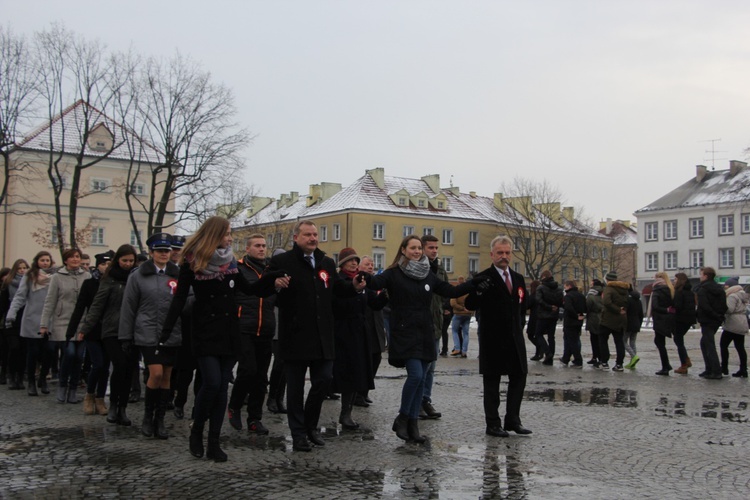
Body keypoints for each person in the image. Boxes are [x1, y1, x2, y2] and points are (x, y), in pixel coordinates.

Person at [161, 217, 286, 461]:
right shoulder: (192, 262)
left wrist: (272, 279)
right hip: (204, 331)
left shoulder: (230, 262)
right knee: (212, 382)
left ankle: (214, 442)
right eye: (227, 233)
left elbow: (251, 290)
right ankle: (197, 430)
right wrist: (167, 329)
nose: (230, 238)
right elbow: (180, 298)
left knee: (220, 390)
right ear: (214, 234)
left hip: (229, 331)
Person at [365, 235, 487, 443]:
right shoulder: (394, 273)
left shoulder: (427, 274)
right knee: (415, 375)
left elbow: (451, 291)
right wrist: (361, 276)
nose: (417, 251)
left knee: (422, 377)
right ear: (403, 250)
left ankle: (413, 425)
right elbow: (375, 283)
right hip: (405, 331)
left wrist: (473, 282)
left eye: (418, 248)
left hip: (424, 331)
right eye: (412, 248)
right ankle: (403, 417)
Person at [268, 220, 363, 452]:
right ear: (296, 238)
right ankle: (298, 433)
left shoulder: (326, 263)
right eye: (307, 234)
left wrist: (353, 287)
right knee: (296, 388)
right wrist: (275, 284)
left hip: (323, 336)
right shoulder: (283, 262)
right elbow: (267, 288)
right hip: (295, 335)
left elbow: (335, 291)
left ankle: (311, 425)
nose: (313, 238)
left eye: (315, 234)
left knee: (323, 380)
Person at [465, 235, 531, 437]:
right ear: (492, 254)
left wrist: (519, 325)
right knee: (492, 383)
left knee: (519, 377)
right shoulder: (484, 277)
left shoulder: (518, 279)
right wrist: (478, 292)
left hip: (514, 338)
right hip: (493, 339)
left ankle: (513, 420)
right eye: (500, 253)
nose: (504, 256)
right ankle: (493, 423)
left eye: (507, 252)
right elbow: (469, 304)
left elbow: (522, 305)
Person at [119, 233, 182, 439]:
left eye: (167, 250)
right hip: (146, 331)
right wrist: (125, 336)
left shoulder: (178, 274)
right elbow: (129, 307)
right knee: (154, 373)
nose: (164, 254)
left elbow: (186, 301)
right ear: (152, 253)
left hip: (171, 331)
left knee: (166, 376)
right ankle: (148, 416)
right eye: (160, 251)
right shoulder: (138, 276)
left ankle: (160, 419)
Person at [77, 245, 137, 424]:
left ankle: (123, 408)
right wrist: (85, 328)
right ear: (118, 260)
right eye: (124, 260)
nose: (127, 264)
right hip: (111, 328)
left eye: (131, 261)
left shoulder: (137, 278)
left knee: (129, 369)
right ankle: (113, 406)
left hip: (133, 330)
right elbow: (97, 304)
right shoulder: (109, 279)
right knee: (119, 365)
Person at [227, 234, 280, 435]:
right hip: (244, 327)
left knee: (261, 377)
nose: (261, 249)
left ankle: (255, 418)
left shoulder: (271, 271)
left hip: (266, 327)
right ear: (247, 249)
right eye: (257, 246)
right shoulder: (238, 269)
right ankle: (234, 406)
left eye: (264, 246)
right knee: (247, 370)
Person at [331, 248, 387, 430]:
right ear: (341, 263)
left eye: (355, 260)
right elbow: (337, 304)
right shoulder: (338, 281)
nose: (354, 263)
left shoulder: (362, 281)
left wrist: (386, 295)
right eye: (349, 261)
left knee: (356, 372)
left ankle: (346, 414)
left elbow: (374, 303)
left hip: (360, 333)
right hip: (341, 332)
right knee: (342, 373)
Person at [66, 250, 114, 415]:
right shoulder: (89, 284)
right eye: (103, 264)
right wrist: (71, 330)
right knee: (98, 364)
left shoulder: (114, 282)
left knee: (106, 366)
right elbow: (80, 308)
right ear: (98, 265)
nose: (106, 267)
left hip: (110, 330)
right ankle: (89, 395)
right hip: (92, 330)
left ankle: (100, 399)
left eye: (109, 264)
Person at [40, 249, 91, 402]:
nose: (75, 259)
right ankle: (62, 386)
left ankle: (73, 389)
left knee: (78, 357)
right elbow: (50, 301)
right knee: (69, 354)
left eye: (77, 257)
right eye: (72, 257)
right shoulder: (57, 277)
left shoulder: (86, 276)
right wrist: (44, 324)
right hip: (63, 321)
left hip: (82, 322)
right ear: (66, 260)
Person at [7, 252, 55, 396]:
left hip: (51, 320)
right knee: (33, 352)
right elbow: (20, 296)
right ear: (37, 261)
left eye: (47, 260)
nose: (45, 262)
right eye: (42, 260)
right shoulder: (30, 276)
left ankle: (43, 378)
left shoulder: (55, 276)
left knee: (50, 351)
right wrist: (12, 313)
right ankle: (32, 383)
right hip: (32, 318)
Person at [420, 234, 448, 420]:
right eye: (431, 247)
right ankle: (417, 401)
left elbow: (445, 295)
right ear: (422, 249)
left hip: (436, 324)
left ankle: (425, 400)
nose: (434, 251)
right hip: (420, 325)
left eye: (436, 248)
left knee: (431, 367)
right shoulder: (417, 268)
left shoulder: (440, 270)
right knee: (421, 368)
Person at [357, 255, 387, 406]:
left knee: (376, 359)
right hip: (366, 325)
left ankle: (365, 391)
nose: (370, 266)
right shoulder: (359, 282)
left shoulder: (376, 282)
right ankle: (358, 394)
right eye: (367, 264)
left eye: (372, 264)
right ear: (360, 267)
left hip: (377, 325)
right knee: (364, 361)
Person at [0, 259, 30, 390]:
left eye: (24, 268)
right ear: (15, 270)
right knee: (14, 348)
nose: (22, 271)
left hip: (25, 320)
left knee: (23, 350)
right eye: (19, 268)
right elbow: (3, 305)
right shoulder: (7, 284)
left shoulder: (30, 284)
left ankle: (19, 376)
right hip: (11, 320)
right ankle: (11, 374)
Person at [695, 267, 726, 379]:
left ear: (706, 276)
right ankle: (709, 369)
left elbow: (704, 305)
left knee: (709, 345)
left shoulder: (703, 289)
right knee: (704, 343)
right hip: (716, 320)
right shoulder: (719, 289)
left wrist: (712, 314)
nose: (700, 276)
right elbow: (724, 305)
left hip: (707, 319)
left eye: (701, 274)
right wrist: (719, 316)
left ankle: (716, 371)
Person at [598, 272, 629, 372]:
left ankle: (604, 362)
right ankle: (619, 364)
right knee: (619, 342)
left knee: (603, 340)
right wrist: (622, 310)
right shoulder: (624, 289)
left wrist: (616, 309)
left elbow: (606, 302)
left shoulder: (609, 288)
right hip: (621, 319)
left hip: (608, 319)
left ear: (607, 280)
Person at [719, 277, 748, 378]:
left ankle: (724, 367)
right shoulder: (742, 294)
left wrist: (722, 308)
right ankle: (743, 369)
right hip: (742, 322)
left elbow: (729, 309)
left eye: (726, 285)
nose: (725, 287)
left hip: (733, 324)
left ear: (731, 286)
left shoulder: (732, 296)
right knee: (740, 347)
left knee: (723, 345)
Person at [534, 270, 563, 366]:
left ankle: (548, 353)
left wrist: (548, 307)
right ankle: (550, 358)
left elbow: (538, 300)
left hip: (543, 315)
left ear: (543, 277)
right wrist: (555, 307)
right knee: (551, 337)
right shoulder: (559, 288)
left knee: (538, 334)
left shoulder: (541, 287)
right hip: (554, 315)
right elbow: (561, 301)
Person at [649, 272, 676, 376]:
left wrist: (664, 310)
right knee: (660, 342)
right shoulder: (671, 289)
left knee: (660, 343)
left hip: (660, 318)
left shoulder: (657, 290)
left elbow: (655, 306)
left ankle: (665, 366)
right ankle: (666, 365)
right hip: (668, 318)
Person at [672, 272, 696, 374]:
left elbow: (677, 306)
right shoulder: (690, 292)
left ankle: (684, 364)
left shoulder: (679, 292)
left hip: (680, 319)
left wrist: (670, 309)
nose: (674, 281)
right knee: (679, 340)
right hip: (689, 319)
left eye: (675, 279)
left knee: (678, 340)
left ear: (680, 280)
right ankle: (686, 360)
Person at [560, 280, 586, 367]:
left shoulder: (568, 296)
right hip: (578, 322)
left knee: (571, 341)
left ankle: (578, 360)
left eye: (565, 287)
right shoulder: (581, 296)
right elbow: (585, 307)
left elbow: (568, 307)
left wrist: (575, 315)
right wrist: (581, 315)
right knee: (570, 340)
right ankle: (565, 358)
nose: (565, 288)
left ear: (569, 286)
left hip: (570, 321)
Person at [450, 276, 473, 358]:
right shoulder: (469, 291)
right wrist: (468, 309)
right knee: (466, 333)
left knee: (454, 331)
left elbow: (453, 303)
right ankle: (464, 351)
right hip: (468, 314)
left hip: (458, 313)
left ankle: (457, 348)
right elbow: (473, 302)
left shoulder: (456, 291)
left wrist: (461, 308)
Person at [623, 284, 643, 369]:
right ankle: (632, 362)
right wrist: (639, 324)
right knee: (632, 342)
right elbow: (641, 314)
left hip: (628, 323)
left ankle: (634, 356)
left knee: (623, 341)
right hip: (636, 323)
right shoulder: (638, 300)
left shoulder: (627, 300)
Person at [585, 279, 604, 366]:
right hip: (603, 317)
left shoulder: (591, 295)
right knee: (601, 339)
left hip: (593, 318)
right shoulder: (604, 293)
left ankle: (596, 357)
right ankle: (601, 358)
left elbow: (587, 306)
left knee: (594, 339)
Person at [526, 280, 542, 361]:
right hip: (540, 317)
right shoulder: (541, 295)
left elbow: (527, 305)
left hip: (534, 318)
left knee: (530, 335)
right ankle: (539, 352)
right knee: (538, 335)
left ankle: (540, 349)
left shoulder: (533, 296)